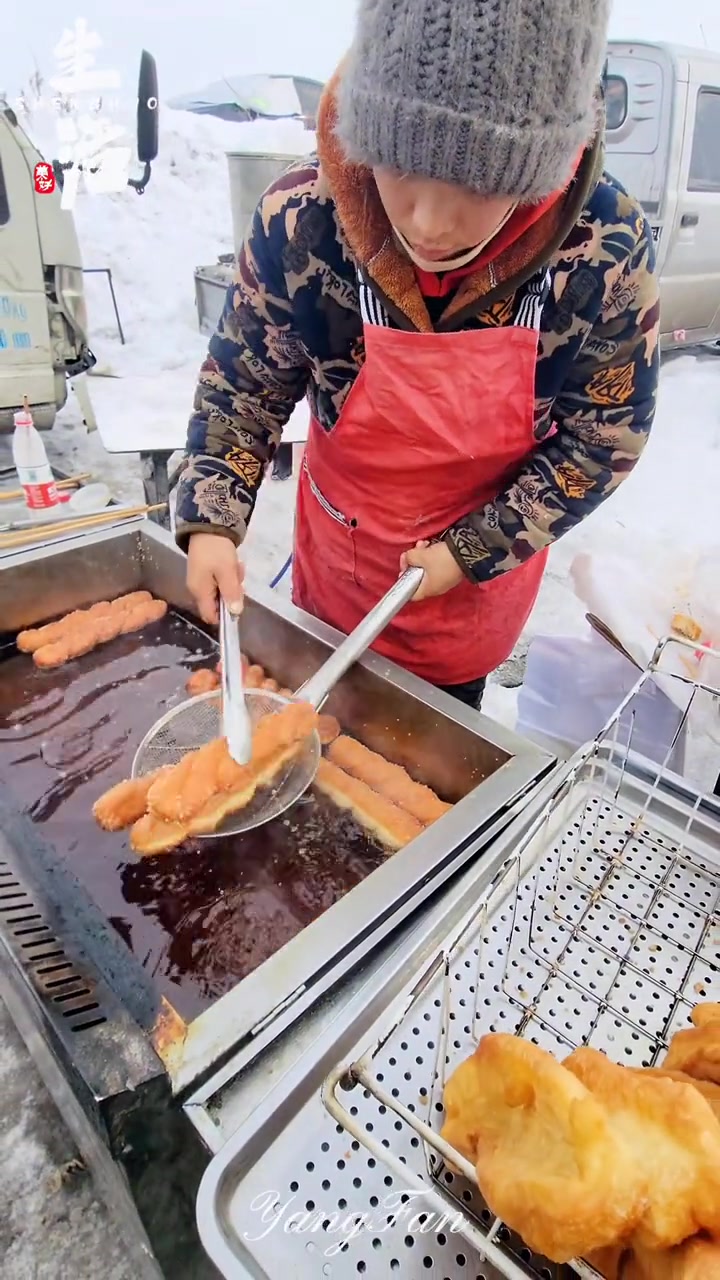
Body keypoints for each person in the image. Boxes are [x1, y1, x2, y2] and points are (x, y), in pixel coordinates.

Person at [176, 0, 660, 713]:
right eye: (399, 168)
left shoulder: (599, 250)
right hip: (337, 571)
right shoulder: (304, 217)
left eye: (477, 182)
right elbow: (246, 384)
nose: (430, 225)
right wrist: (212, 517)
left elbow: (603, 440)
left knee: (430, 745)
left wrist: (471, 551)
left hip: (465, 593)